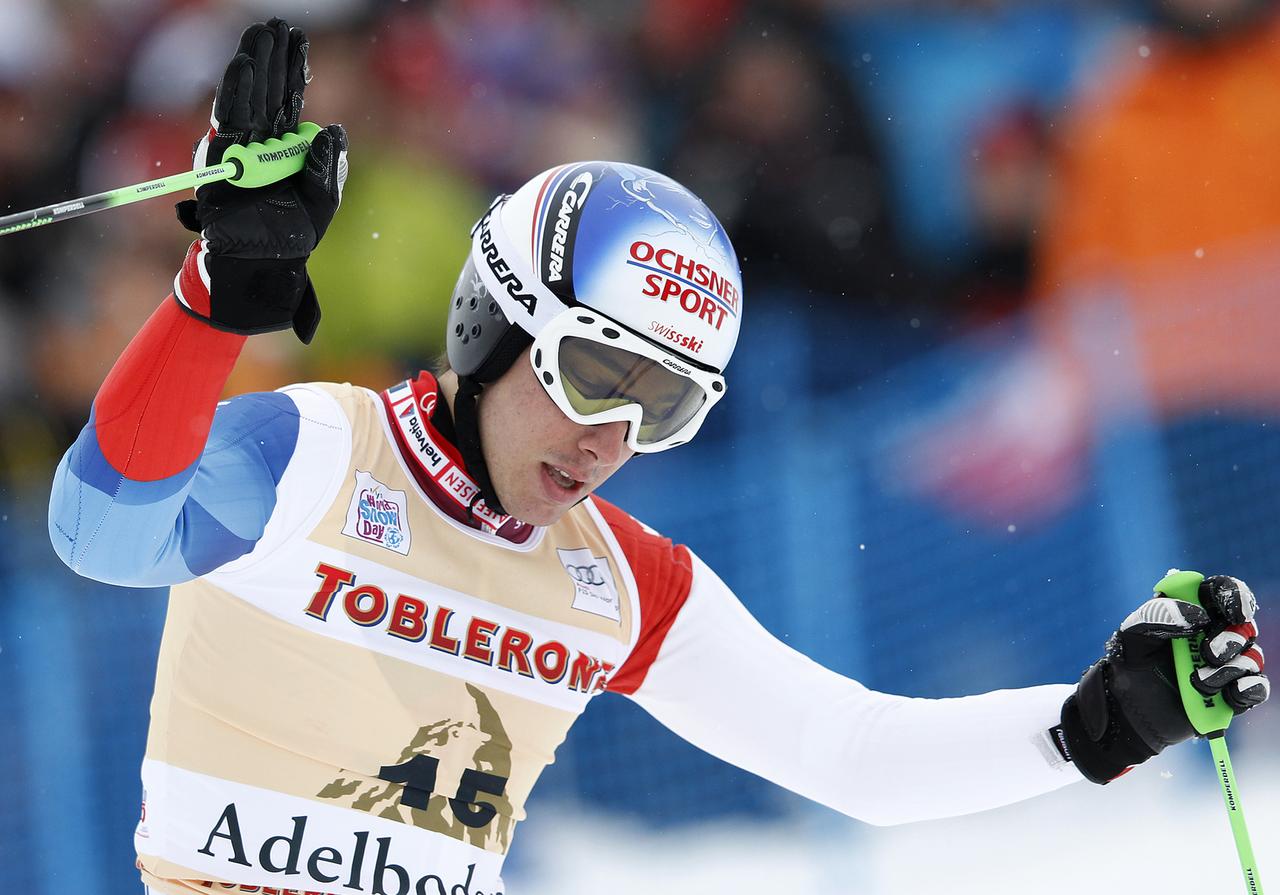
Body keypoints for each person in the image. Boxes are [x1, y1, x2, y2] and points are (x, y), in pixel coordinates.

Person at [48, 19, 1269, 895]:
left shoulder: (620, 584)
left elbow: (846, 753)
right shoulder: (312, 449)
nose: (609, 439)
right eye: (594, 377)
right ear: (489, 325)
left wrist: (1092, 726)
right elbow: (97, 533)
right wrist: (209, 309)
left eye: (663, 409)